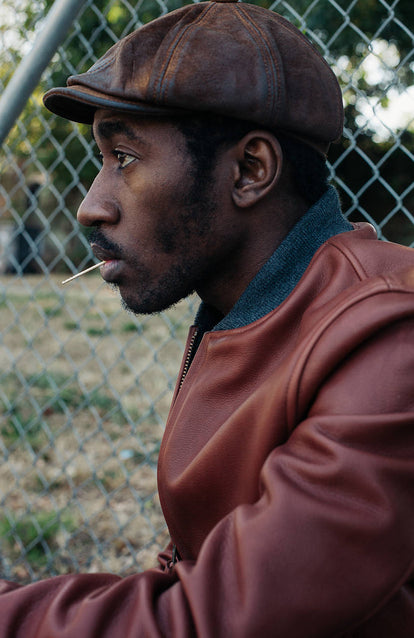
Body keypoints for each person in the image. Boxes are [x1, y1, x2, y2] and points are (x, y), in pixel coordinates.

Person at [1, 1, 414, 635]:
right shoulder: (251, 306)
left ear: (250, 170)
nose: (91, 206)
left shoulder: (390, 335)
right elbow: (199, 569)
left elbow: (215, 620)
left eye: (125, 158)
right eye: (99, 160)